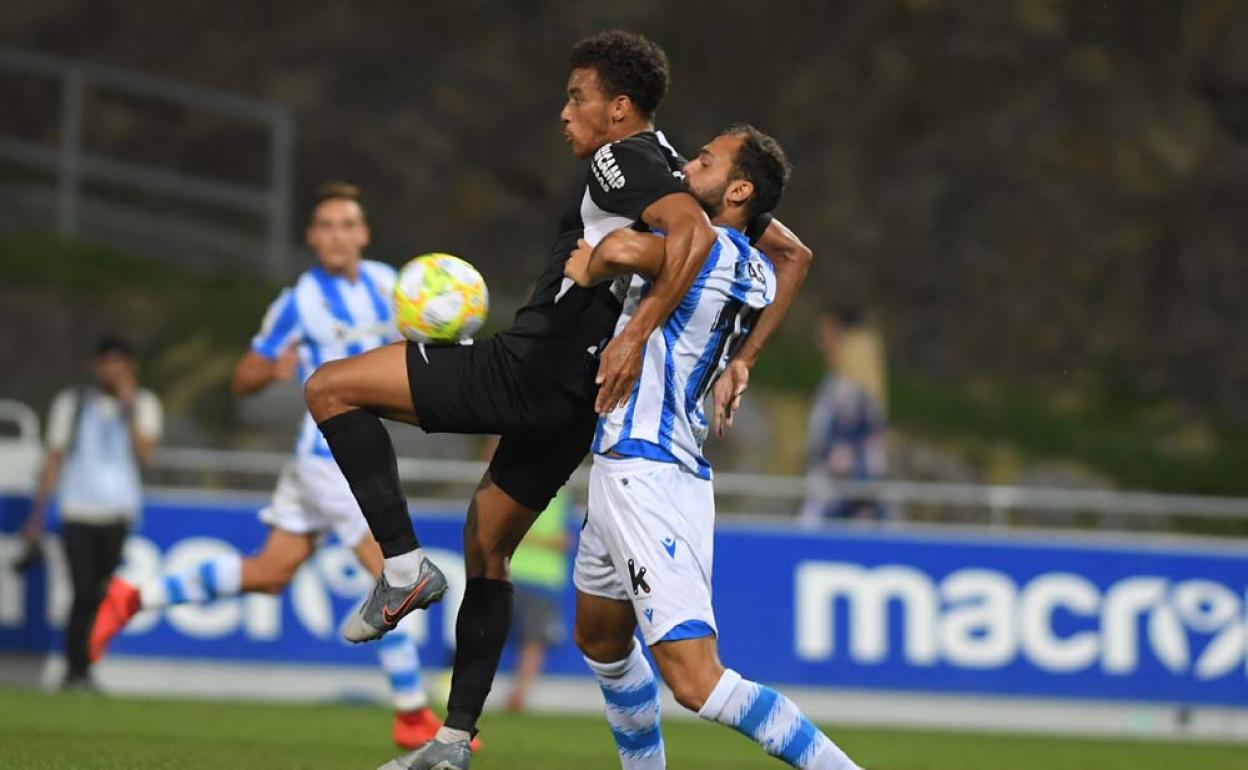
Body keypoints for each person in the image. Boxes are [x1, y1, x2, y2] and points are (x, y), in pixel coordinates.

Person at [302, 31, 812, 770]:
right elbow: (793, 255)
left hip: (532, 368)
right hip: (581, 405)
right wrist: (743, 361)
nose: (566, 113)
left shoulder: (622, 158)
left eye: (578, 98)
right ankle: (451, 743)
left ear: (619, 109)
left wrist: (635, 331)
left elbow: (692, 238)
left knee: (331, 387)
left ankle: (404, 567)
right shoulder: (674, 168)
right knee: (489, 543)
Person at [88, 183, 458, 751]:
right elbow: (242, 377)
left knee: (270, 572)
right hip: (323, 457)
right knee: (393, 574)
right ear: (312, 238)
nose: (336, 234)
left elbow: (422, 335)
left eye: (347, 224)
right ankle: (412, 713)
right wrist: (271, 369)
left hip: (343, 456)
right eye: (326, 225)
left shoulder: (393, 288)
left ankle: (136, 596)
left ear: (363, 233)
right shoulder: (297, 302)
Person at [566, 125, 864, 770]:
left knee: (697, 682)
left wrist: (589, 261)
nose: (685, 167)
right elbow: (798, 257)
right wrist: (744, 360)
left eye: (702, 161)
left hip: (646, 472)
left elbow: (619, 246)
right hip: (642, 464)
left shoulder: (702, 253)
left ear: (737, 190)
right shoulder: (750, 266)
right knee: (599, 638)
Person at [18, 335, 162, 691]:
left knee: (98, 592)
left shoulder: (143, 404)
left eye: (120, 363)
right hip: (77, 509)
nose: (113, 371)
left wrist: (129, 409)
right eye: (107, 363)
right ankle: (75, 669)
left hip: (119, 511)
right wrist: (37, 516)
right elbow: (54, 459)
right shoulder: (73, 403)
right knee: (82, 590)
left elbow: (145, 456)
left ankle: (81, 666)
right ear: (96, 367)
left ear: (131, 369)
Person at [798, 305, 888, 523]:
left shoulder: (853, 395)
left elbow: (860, 459)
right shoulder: (836, 388)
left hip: (842, 501)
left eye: (830, 335)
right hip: (833, 494)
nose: (822, 343)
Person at [505, 488, 572, 712]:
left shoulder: (562, 497)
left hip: (542, 578)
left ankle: (519, 695)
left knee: (533, 641)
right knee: (522, 638)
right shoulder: (520, 487)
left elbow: (564, 539)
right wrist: (549, 541)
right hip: (517, 574)